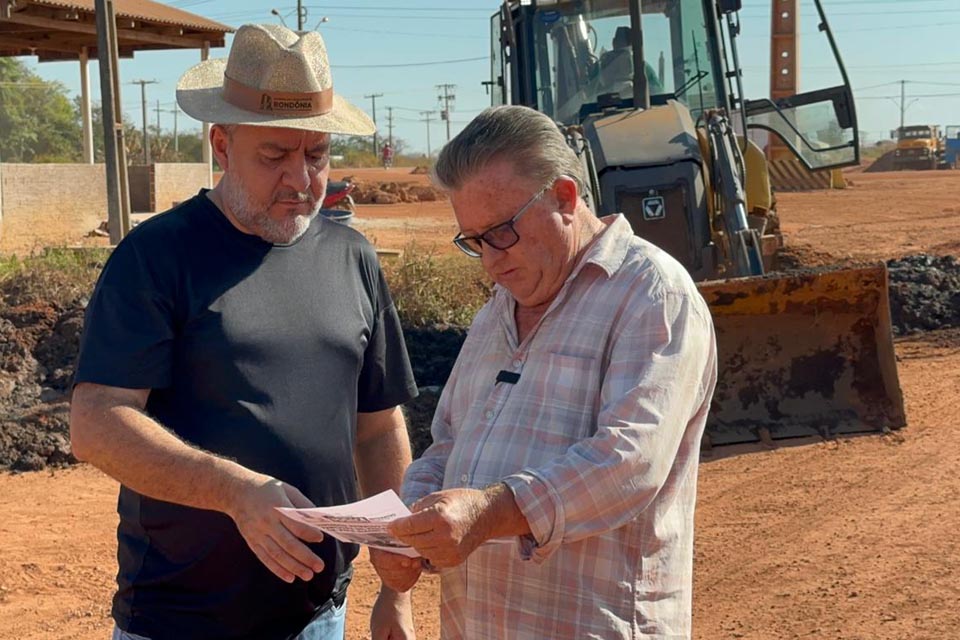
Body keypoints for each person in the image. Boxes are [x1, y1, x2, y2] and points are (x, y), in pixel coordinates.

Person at [69, 24, 419, 640]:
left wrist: (396, 590)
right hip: (180, 622)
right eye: (274, 156)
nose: (301, 180)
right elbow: (96, 423)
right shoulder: (157, 257)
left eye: (317, 155)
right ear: (222, 145)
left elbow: (379, 427)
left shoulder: (353, 257)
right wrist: (234, 490)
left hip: (320, 617)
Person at [377, 105, 717, 638]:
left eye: (501, 232)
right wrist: (407, 528)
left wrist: (490, 512)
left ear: (563, 196)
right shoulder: (497, 311)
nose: (491, 260)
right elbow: (448, 443)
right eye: (474, 241)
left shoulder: (652, 294)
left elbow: (629, 461)